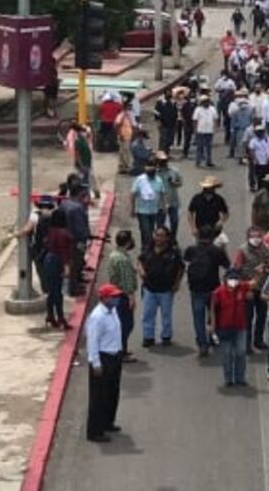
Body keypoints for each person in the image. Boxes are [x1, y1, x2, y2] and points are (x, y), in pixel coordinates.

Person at [86, 284, 125, 443]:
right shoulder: (97, 317)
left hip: (114, 356)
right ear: (104, 298)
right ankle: (95, 431)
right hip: (103, 358)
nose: (116, 299)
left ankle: (108, 422)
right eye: (113, 297)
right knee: (98, 397)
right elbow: (92, 342)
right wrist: (96, 363)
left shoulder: (112, 311)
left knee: (112, 392)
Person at [183, 225, 230, 356]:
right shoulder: (216, 250)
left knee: (198, 317)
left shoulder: (191, 250)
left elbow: (186, 262)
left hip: (196, 288)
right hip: (213, 287)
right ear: (213, 237)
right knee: (214, 314)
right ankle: (213, 336)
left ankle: (202, 344)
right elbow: (227, 265)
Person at [138, 227, 185, 347]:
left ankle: (166, 336)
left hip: (166, 290)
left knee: (166, 315)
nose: (159, 238)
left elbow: (181, 268)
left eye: (162, 235)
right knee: (148, 314)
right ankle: (148, 337)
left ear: (167, 237)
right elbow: (140, 260)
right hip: (150, 288)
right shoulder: (148, 249)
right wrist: (141, 270)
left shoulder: (173, 252)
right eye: (157, 235)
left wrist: (177, 283)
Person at [234, 226, 269, 352]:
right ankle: (246, 343)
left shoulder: (266, 249)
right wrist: (244, 289)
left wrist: (266, 267)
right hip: (248, 288)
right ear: (248, 237)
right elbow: (236, 271)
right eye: (253, 236)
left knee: (262, 315)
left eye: (258, 236)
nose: (256, 239)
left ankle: (258, 340)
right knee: (247, 317)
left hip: (263, 287)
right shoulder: (242, 250)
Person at [210, 268, 250, 387]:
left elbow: (253, 284)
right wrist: (212, 325)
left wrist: (260, 272)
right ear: (225, 279)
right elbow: (212, 309)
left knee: (241, 352)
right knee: (227, 354)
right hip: (224, 328)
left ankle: (240, 377)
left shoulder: (242, 288)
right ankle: (228, 378)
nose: (233, 281)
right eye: (231, 278)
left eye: (235, 278)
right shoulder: (218, 292)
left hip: (240, 326)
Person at [106, 230, 139, 362]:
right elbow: (126, 282)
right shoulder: (123, 259)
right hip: (122, 296)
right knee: (126, 325)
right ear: (128, 242)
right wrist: (131, 297)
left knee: (119, 324)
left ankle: (121, 349)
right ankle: (121, 352)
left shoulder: (114, 255)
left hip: (115, 294)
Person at [42, 209, 73, 329]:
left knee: (52, 291)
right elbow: (64, 251)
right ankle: (60, 318)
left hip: (48, 259)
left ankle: (50, 315)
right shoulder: (64, 233)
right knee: (58, 292)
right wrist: (67, 267)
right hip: (58, 261)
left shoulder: (51, 230)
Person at [131, 161, 166, 249]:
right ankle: (146, 249)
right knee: (145, 231)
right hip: (142, 211)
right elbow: (133, 194)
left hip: (154, 211)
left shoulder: (159, 180)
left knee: (150, 231)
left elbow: (162, 194)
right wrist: (132, 208)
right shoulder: (140, 180)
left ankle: (147, 248)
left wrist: (164, 207)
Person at [154, 151, 183, 241]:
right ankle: (160, 240)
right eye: (161, 161)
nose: (163, 163)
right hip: (160, 203)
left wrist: (174, 183)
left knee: (174, 222)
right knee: (160, 225)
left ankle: (172, 239)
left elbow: (180, 183)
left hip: (173, 201)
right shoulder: (154, 173)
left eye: (164, 161)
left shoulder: (174, 171)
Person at [192, 95, 218, 168]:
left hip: (209, 130)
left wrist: (215, 128)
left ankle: (208, 161)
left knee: (208, 147)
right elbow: (195, 120)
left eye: (207, 101)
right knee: (200, 147)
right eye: (204, 102)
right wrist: (195, 130)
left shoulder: (212, 109)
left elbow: (215, 118)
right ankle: (198, 162)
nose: (206, 103)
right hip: (200, 131)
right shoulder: (198, 109)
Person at [227, 90, 253, 159]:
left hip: (247, 129)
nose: (243, 105)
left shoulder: (249, 110)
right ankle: (240, 157)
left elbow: (251, 120)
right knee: (240, 144)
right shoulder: (236, 111)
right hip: (239, 130)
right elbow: (233, 120)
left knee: (248, 143)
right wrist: (233, 128)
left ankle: (247, 155)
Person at [247, 125, 269, 191]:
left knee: (267, 176)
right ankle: (260, 188)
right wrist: (255, 159)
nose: (260, 133)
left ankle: (267, 188)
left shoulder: (267, 139)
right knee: (259, 176)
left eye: (261, 131)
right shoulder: (253, 141)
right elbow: (251, 151)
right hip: (258, 162)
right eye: (258, 132)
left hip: (266, 161)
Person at [114, 102, 137, 174]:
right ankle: (123, 166)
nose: (129, 109)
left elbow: (134, 126)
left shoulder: (131, 116)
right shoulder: (121, 115)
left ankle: (126, 165)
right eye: (128, 107)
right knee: (123, 150)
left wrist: (134, 135)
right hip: (122, 136)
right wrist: (120, 134)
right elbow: (116, 125)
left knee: (126, 150)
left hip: (128, 136)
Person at [154, 91, 178, 155]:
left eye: (170, 93)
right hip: (163, 125)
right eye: (168, 93)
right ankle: (161, 155)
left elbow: (175, 114)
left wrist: (176, 123)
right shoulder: (160, 103)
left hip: (172, 125)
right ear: (165, 94)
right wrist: (158, 122)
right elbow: (156, 113)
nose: (169, 94)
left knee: (170, 140)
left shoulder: (173, 103)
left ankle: (167, 153)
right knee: (163, 140)